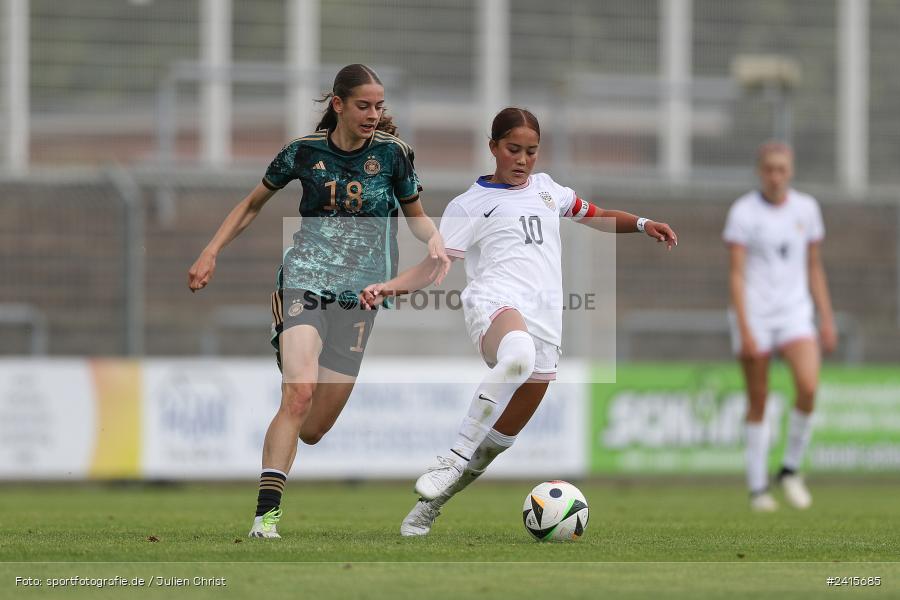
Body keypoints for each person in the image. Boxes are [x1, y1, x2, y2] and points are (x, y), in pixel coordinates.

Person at [361, 107, 678, 536]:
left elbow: (595, 213)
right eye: (513, 149)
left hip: (546, 322)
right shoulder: (469, 205)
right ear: (493, 147)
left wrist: (642, 223)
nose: (523, 159)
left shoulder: (548, 191)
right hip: (493, 304)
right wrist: (389, 288)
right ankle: (451, 457)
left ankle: (429, 507)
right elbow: (434, 268)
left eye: (531, 151)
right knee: (516, 355)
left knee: (495, 445)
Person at [187, 64, 449, 538]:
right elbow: (251, 204)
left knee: (313, 427)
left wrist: (434, 240)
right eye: (364, 106)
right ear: (339, 105)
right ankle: (265, 518)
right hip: (305, 279)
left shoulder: (394, 156)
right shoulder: (302, 153)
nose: (373, 115)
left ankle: (296, 382)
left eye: (378, 107)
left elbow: (417, 218)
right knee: (299, 392)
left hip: (361, 295)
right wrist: (211, 250)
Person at [723, 141, 836, 512]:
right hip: (755, 313)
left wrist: (827, 317)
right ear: (760, 171)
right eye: (769, 169)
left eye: (781, 169)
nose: (775, 176)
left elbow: (814, 266)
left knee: (808, 385)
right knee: (759, 399)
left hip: (794, 313)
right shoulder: (743, 212)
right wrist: (745, 327)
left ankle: (789, 469)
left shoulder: (807, 208)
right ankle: (758, 488)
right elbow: (736, 274)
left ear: (791, 172)